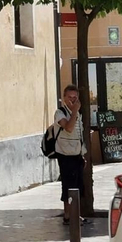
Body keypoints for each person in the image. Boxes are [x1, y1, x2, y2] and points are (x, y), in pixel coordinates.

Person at [52, 85, 89, 221]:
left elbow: (79, 135)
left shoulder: (77, 113)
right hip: (65, 154)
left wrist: (82, 154)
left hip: (76, 154)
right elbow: (68, 128)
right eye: (70, 97)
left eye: (75, 97)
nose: (73, 100)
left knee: (78, 185)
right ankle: (68, 215)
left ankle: (74, 214)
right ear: (64, 98)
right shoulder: (60, 113)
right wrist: (74, 112)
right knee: (68, 185)